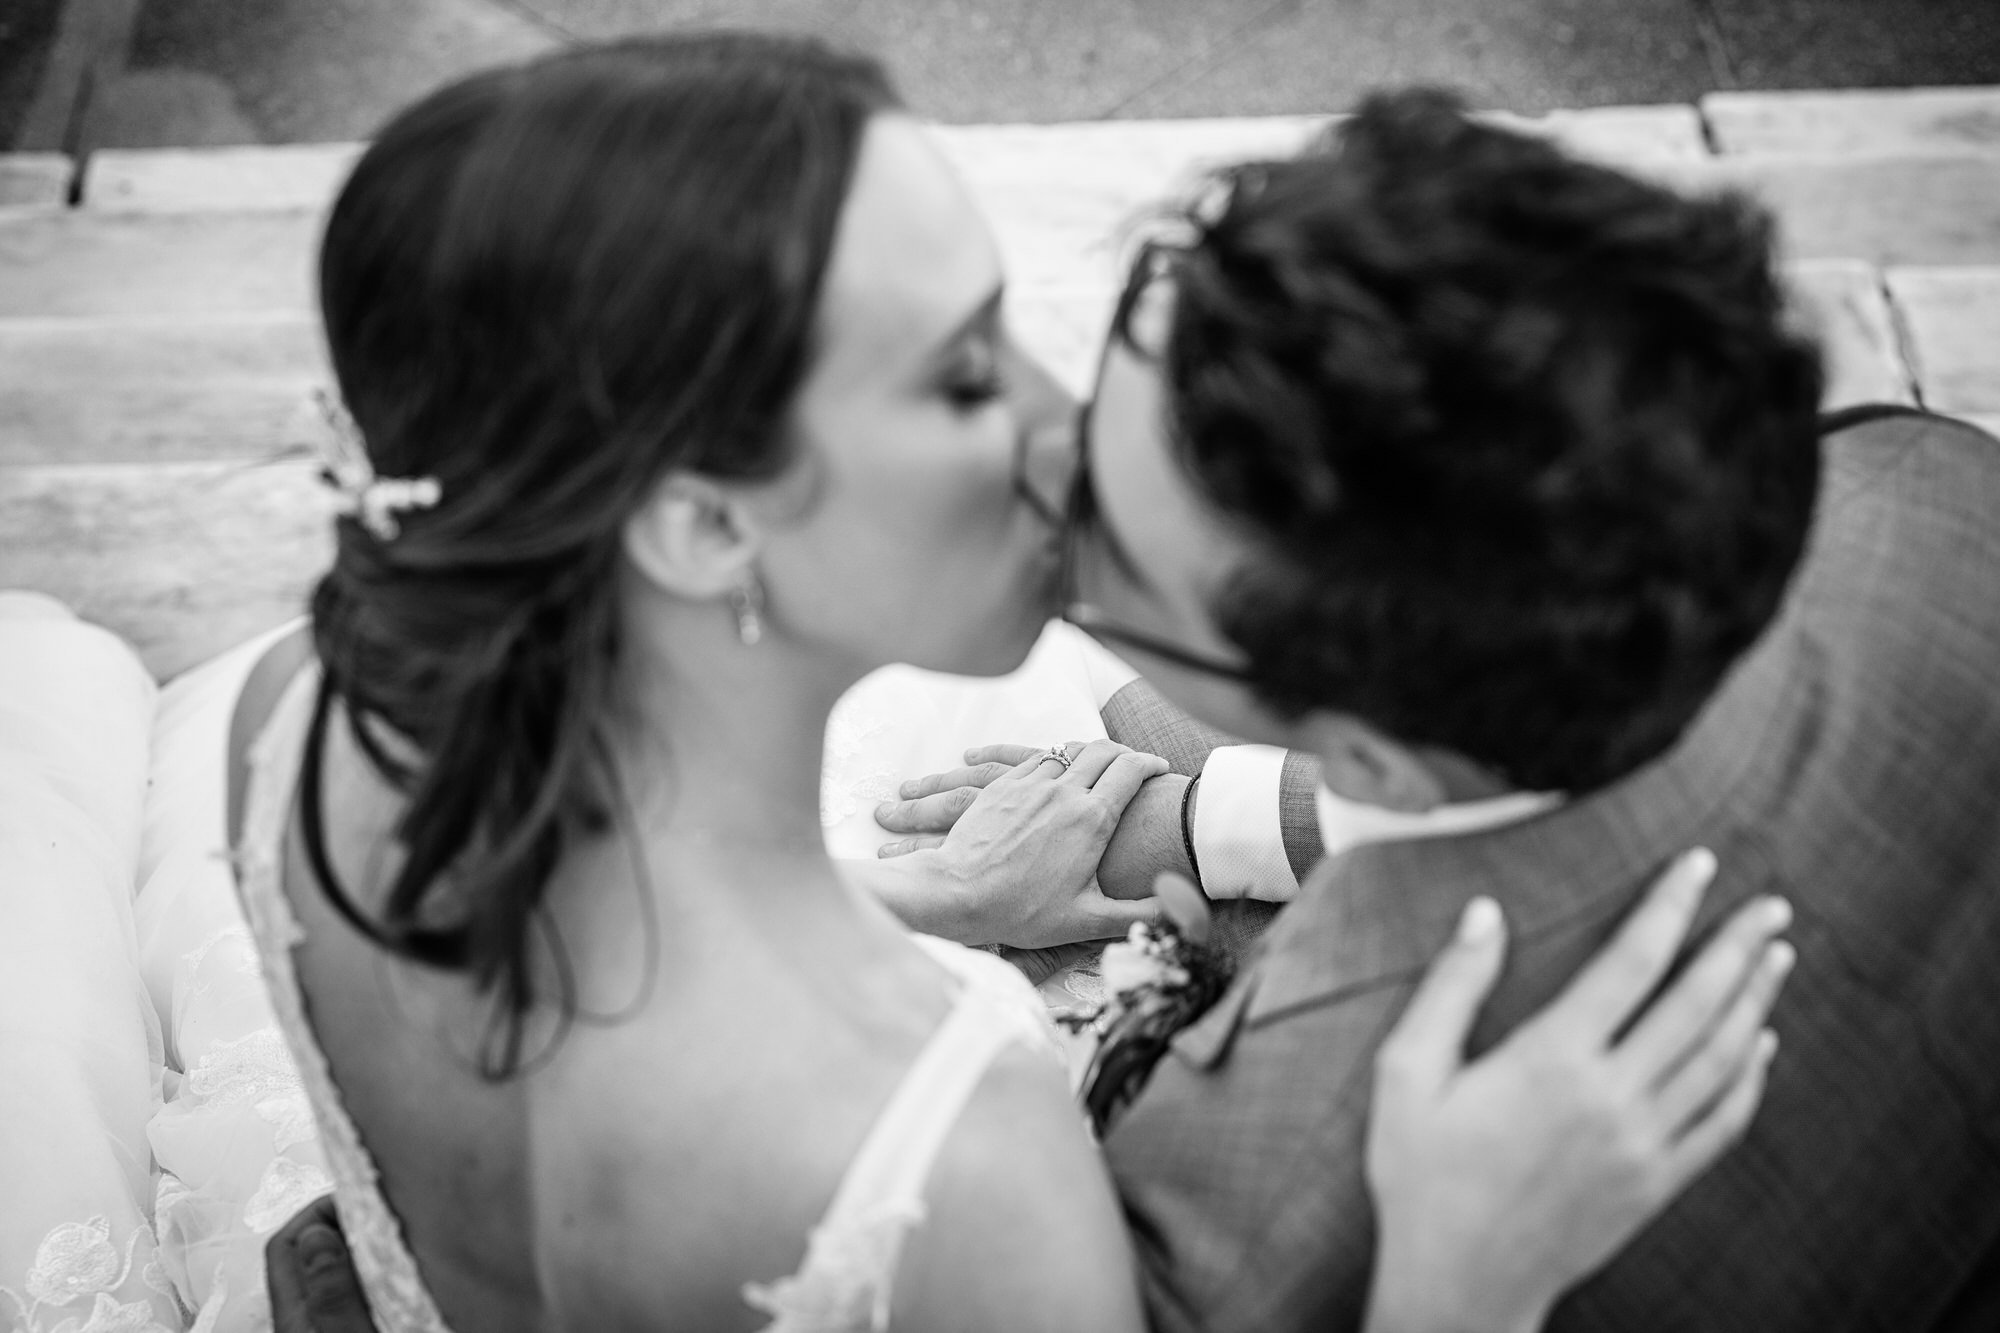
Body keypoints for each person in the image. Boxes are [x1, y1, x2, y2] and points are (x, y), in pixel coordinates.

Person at [112, 35, 1785, 1333]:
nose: (1067, 437)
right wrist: (1463, 1285)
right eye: (971, 371)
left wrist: (907, 893)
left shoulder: (298, 723)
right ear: (703, 521)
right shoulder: (962, 1166)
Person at [1024, 90, 2000, 1330]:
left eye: (1100, 550)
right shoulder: (1924, 488)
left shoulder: (1240, 1199)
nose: (1031, 486)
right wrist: (1213, 821)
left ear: (1376, 759)